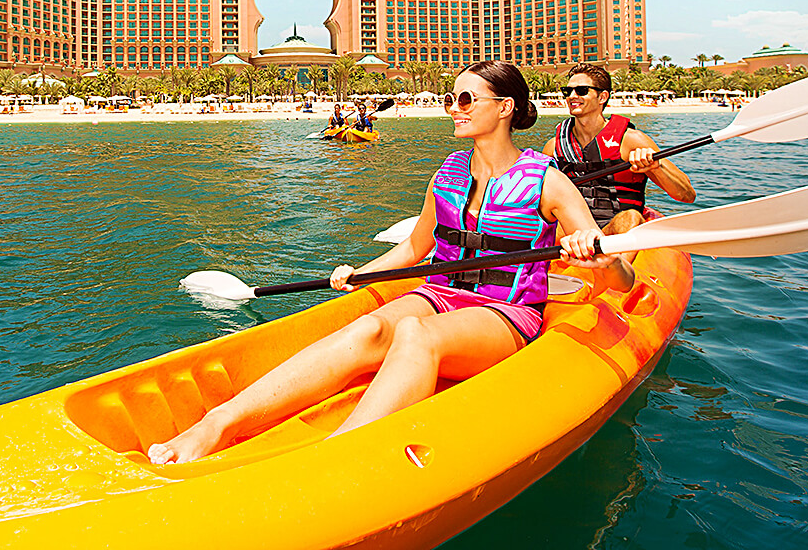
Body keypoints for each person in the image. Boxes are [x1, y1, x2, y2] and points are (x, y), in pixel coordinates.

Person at [148, 60, 635, 465]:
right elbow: (413, 250)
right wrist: (361, 273)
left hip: (506, 311)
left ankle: (335, 456)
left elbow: (622, 277)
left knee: (415, 334)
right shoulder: (449, 173)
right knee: (367, 331)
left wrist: (596, 256)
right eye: (451, 99)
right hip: (439, 292)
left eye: (466, 99)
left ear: (504, 108)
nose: (453, 109)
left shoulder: (548, 182)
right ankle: (217, 425)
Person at [541, 63, 695, 235]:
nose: (572, 96)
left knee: (629, 218)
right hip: (573, 230)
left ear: (602, 97)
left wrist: (655, 168)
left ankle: (615, 261)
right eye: (567, 91)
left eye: (582, 91)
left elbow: (686, 195)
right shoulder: (554, 146)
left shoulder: (631, 140)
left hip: (615, 227)